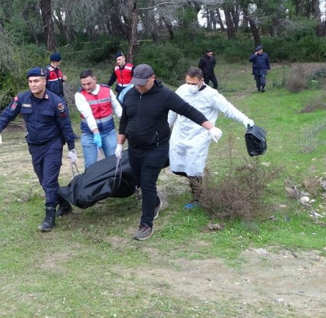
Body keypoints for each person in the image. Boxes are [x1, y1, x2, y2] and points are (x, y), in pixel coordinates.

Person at [116, 64, 220, 241]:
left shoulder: (165, 95)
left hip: (156, 148)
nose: (139, 86)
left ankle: (146, 225)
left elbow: (188, 110)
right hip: (134, 148)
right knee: (140, 181)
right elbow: (125, 120)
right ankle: (155, 203)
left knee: (148, 183)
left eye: (142, 83)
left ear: (152, 78)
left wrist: (210, 127)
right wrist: (120, 144)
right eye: (136, 83)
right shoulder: (131, 95)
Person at [0, 67, 78, 232]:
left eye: (36, 81)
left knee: (49, 181)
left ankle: (49, 217)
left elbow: (66, 126)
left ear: (44, 81)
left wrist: (71, 149)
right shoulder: (22, 98)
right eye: (30, 81)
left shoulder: (56, 102)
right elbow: (7, 114)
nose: (33, 84)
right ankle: (65, 205)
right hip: (35, 146)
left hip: (52, 144)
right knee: (44, 181)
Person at [168, 67, 254, 203]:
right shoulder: (182, 90)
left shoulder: (211, 95)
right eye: (187, 83)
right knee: (178, 165)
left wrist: (245, 120)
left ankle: (197, 197)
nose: (189, 86)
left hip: (199, 136)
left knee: (194, 167)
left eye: (193, 84)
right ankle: (193, 181)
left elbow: (228, 108)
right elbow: (173, 109)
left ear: (202, 81)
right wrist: (167, 126)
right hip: (181, 132)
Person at [74, 69, 122, 169]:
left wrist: (123, 120)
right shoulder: (79, 95)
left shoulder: (107, 90)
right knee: (90, 166)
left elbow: (117, 107)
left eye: (89, 83)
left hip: (109, 133)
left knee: (114, 163)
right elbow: (88, 115)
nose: (86, 87)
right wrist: (96, 133)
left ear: (95, 79)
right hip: (90, 135)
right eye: (83, 84)